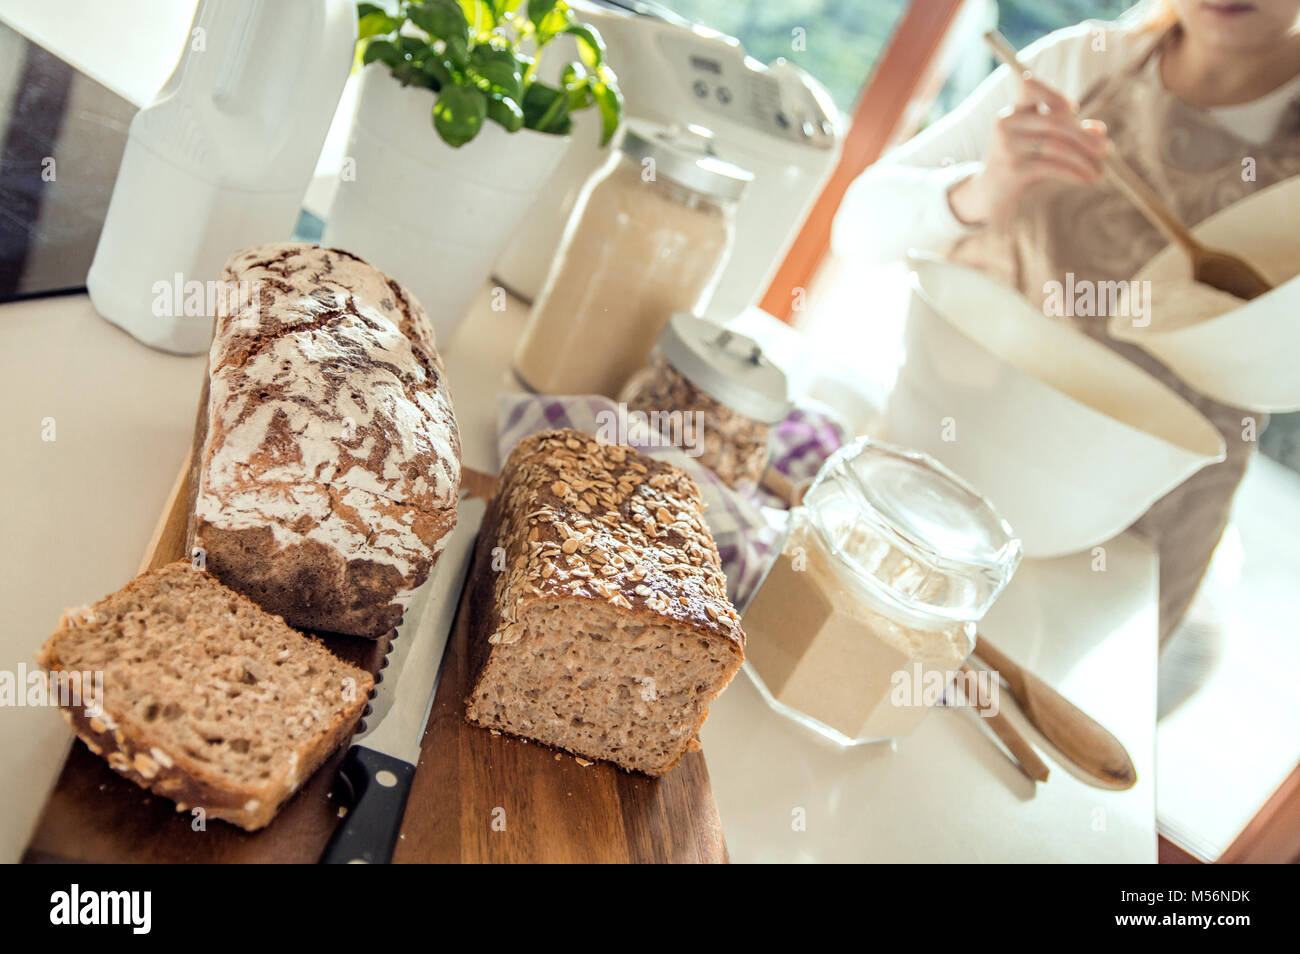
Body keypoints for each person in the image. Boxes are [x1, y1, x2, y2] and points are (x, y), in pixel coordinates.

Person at [834, 0, 1300, 641]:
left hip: (1126, 544)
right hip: (937, 474)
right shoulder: (1076, 66)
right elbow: (855, 228)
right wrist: (980, 190)